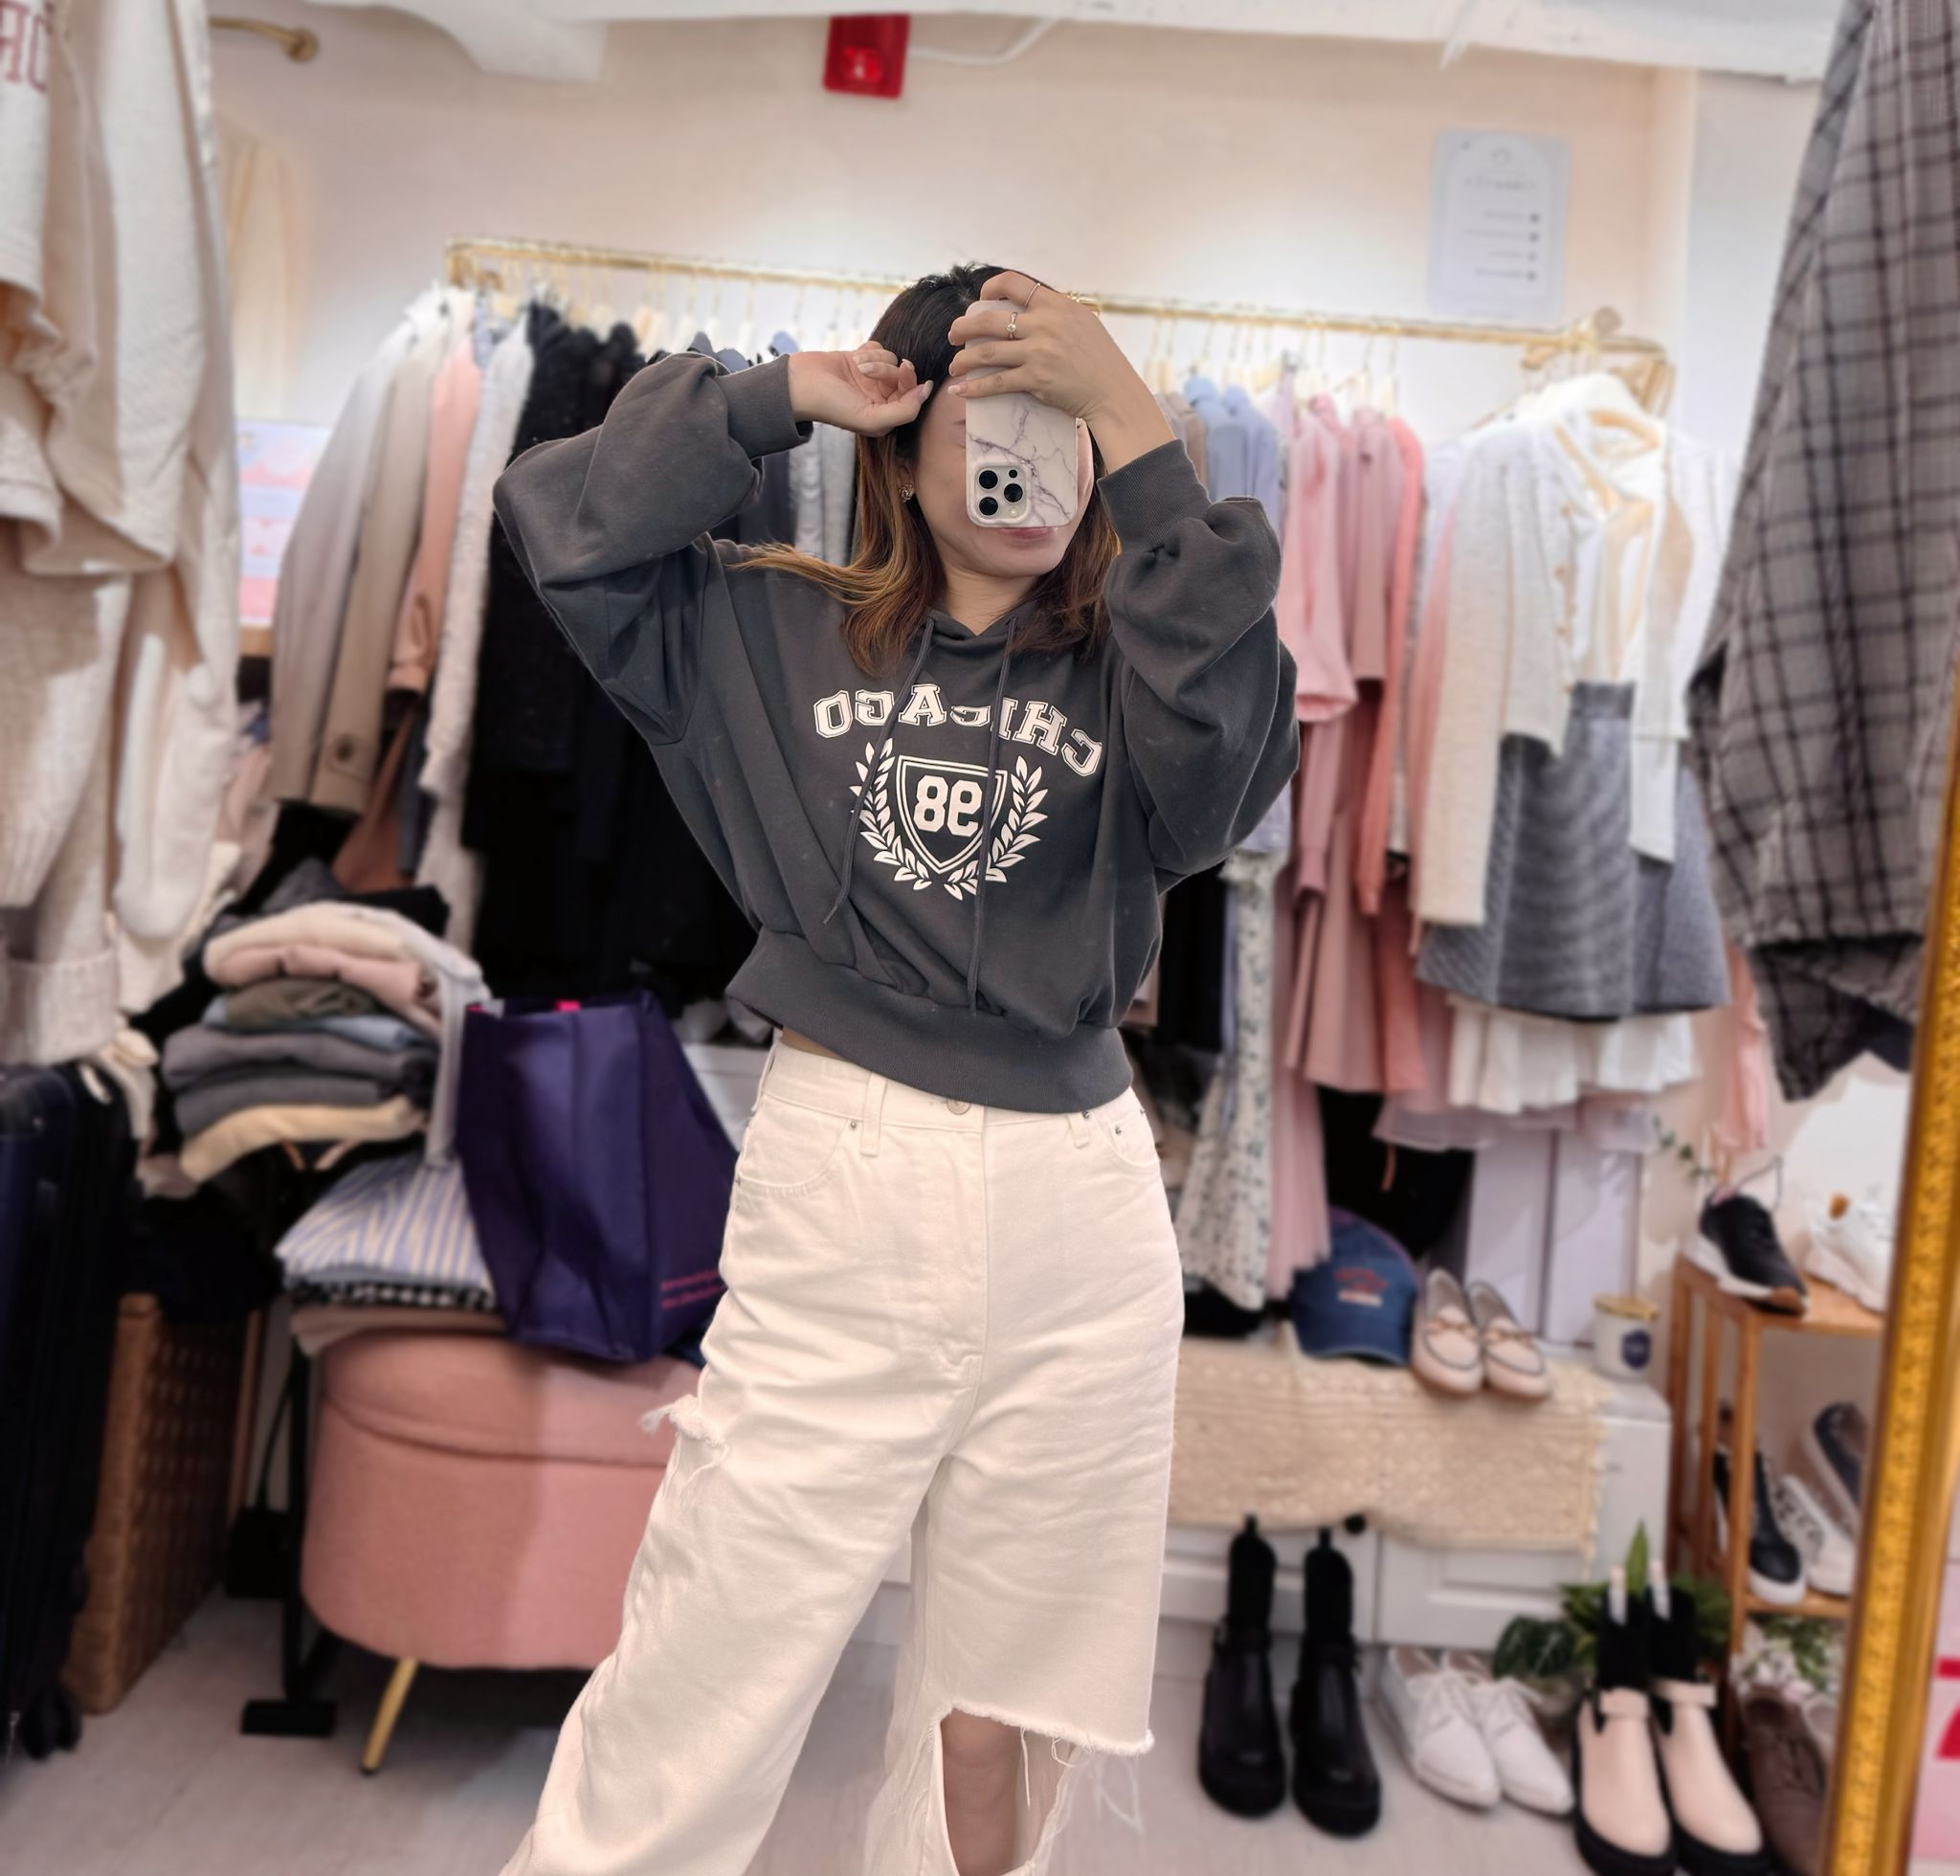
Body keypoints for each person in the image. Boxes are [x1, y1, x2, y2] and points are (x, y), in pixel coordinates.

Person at [491, 264, 1298, 1876]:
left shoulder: (1143, 669)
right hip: (844, 1177)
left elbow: (1227, 769)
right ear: (904, 450)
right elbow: (563, 520)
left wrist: (1139, 429)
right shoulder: (762, 627)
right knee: (707, 1668)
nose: (1034, 465)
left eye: (1068, 428)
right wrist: (776, 395)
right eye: (996, 424)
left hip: (1080, 1208)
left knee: (1002, 1711)